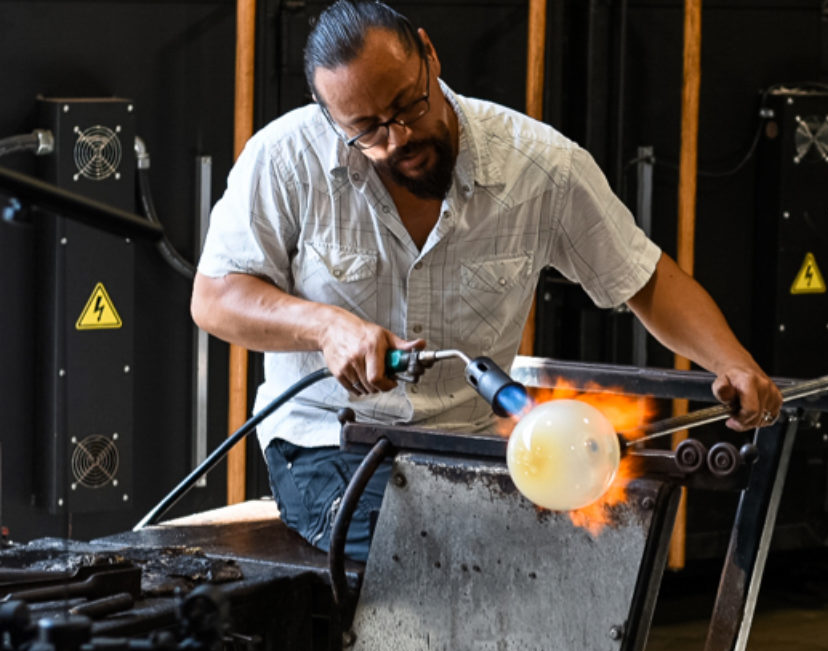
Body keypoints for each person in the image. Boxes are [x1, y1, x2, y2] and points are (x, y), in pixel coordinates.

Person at [191, 0, 782, 560]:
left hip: (478, 445)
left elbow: (646, 280)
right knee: (424, 551)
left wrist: (730, 362)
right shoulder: (286, 159)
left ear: (429, 56)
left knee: (594, 545)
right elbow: (215, 299)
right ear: (329, 118)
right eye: (368, 130)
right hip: (325, 444)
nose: (399, 140)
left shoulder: (539, 166)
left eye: (408, 106)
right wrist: (325, 327)